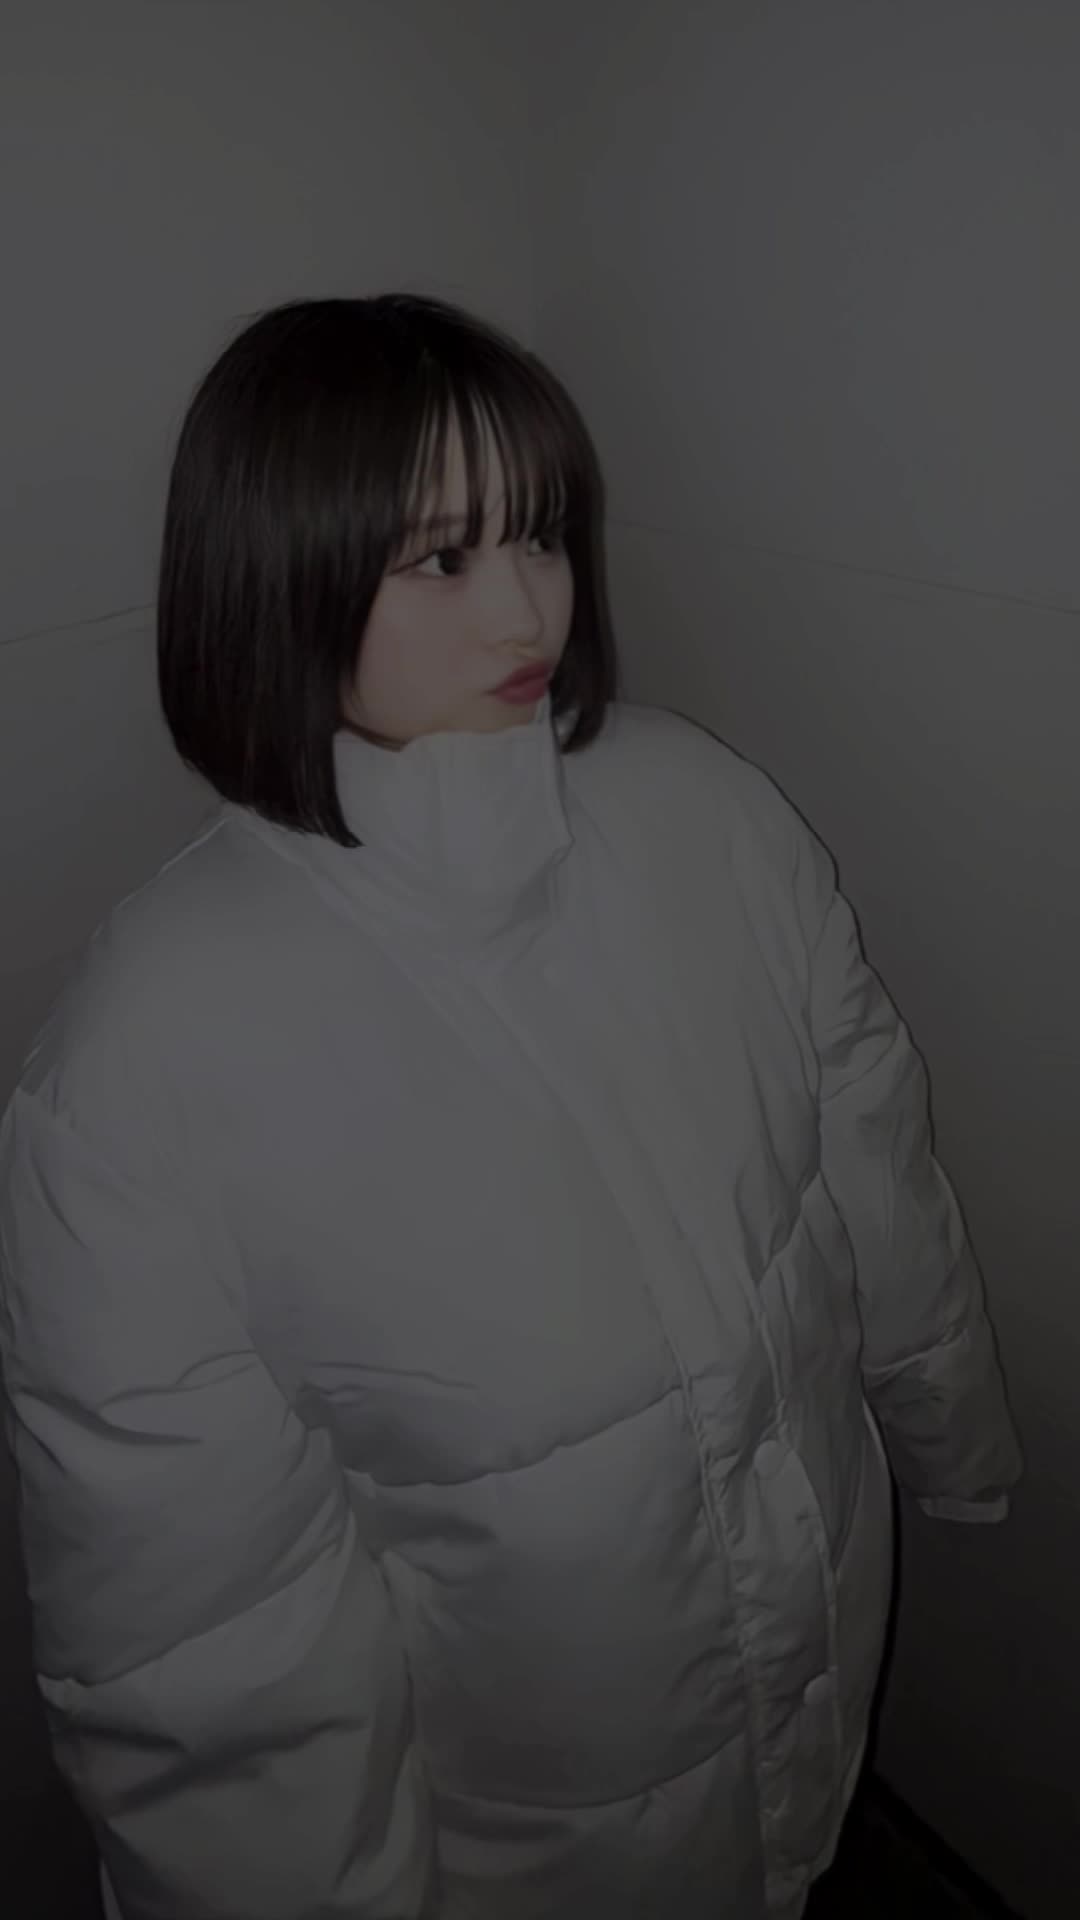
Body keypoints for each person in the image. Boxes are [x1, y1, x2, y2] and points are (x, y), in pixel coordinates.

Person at [0, 293, 1021, 1920]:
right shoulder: (144, 1070)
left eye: (538, 533)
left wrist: (948, 1427)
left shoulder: (703, 811)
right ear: (281, 576)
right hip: (526, 1848)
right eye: (442, 557)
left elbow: (872, 1156)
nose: (529, 603)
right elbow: (213, 1656)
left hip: (812, 1685)